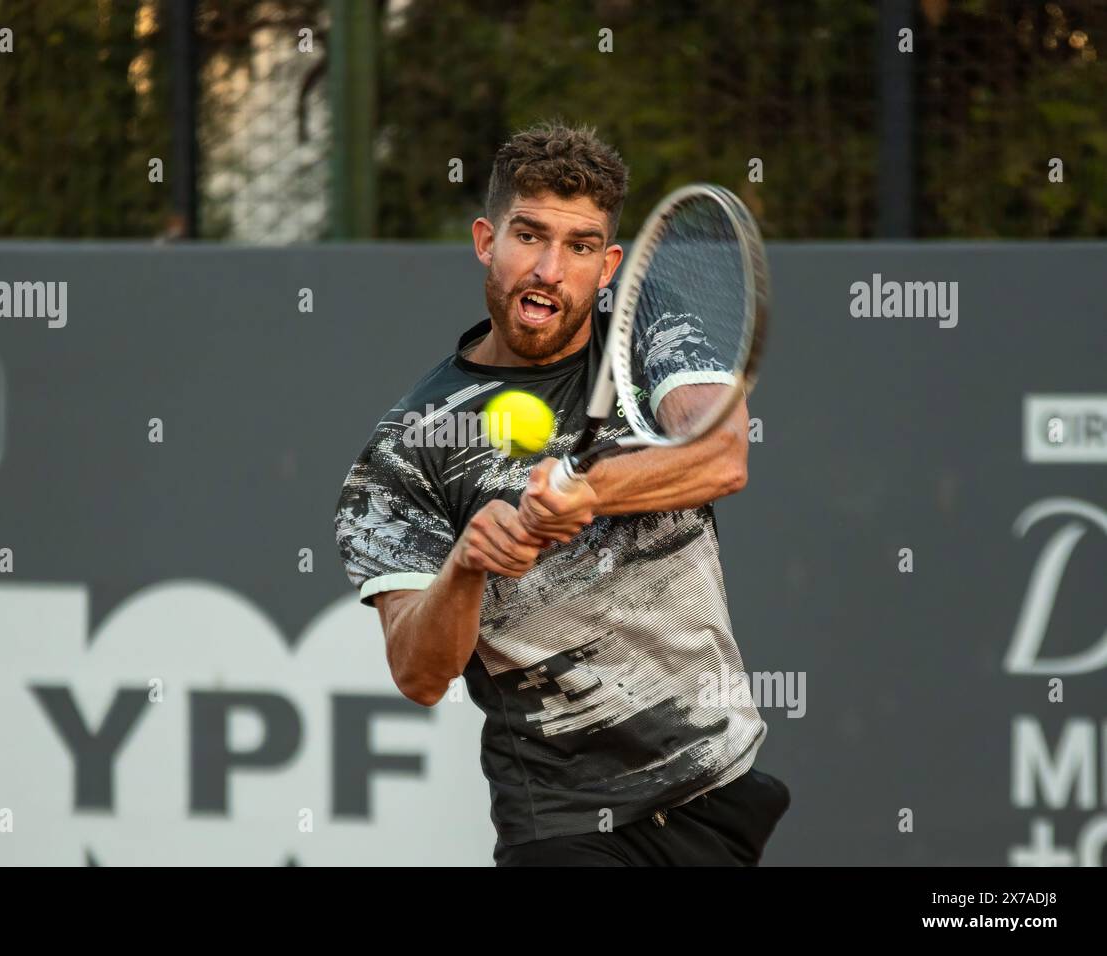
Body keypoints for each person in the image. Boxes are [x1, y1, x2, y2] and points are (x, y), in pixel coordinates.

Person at [333, 121, 789, 866]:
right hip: (566, 823)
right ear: (487, 240)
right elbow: (419, 673)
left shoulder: (646, 324)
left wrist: (590, 489)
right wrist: (467, 565)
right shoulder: (408, 448)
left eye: (579, 247)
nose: (549, 268)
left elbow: (723, 454)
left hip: (716, 792)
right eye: (529, 236)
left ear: (609, 265)